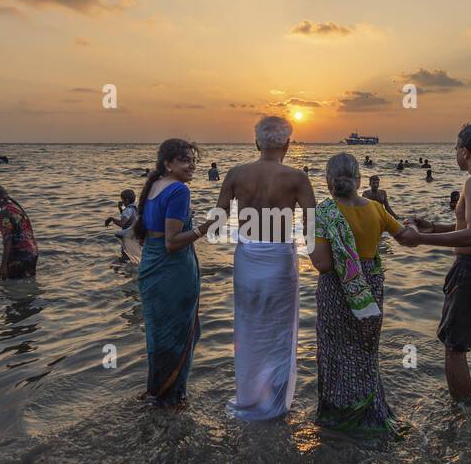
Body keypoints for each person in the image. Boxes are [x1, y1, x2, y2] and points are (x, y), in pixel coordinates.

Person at [211, 116, 316, 420]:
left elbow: (218, 224)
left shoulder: (235, 174)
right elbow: (312, 223)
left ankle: (248, 398)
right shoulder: (296, 177)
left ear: (257, 142)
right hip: (280, 258)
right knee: (280, 333)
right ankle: (273, 405)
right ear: (287, 143)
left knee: (248, 329)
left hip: (247, 257)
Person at [310, 153, 414, 432]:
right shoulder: (377, 209)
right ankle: (370, 410)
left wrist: (345, 261)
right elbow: (405, 237)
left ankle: (338, 414)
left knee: (335, 349)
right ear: (358, 180)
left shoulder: (323, 212)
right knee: (365, 349)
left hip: (335, 289)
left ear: (328, 180)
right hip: (369, 288)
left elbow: (320, 263)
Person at [401, 121, 471, 400]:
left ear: (466, 151)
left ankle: (460, 414)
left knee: (455, 348)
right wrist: (432, 227)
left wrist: (420, 239)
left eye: (456, 147)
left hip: (470, 273)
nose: (455, 152)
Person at [135, 139, 213, 406]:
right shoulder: (178, 190)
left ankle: (157, 392)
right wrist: (206, 227)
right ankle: (172, 397)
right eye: (183, 160)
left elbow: (152, 237)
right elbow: (172, 241)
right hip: (172, 272)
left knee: (161, 333)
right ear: (167, 164)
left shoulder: (154, 186)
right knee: (179, 333)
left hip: (152, 268)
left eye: (192, 160)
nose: (191, 165)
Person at [0, 184, 38, 279]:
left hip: (19, 254)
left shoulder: (4, 213)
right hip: (32, 251)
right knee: (28, 284)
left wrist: (3, 265)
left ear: (0, 198)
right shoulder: (15, 206)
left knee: (11, 285)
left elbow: (8, 239)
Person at [104, 189, 141, 262]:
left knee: (124, 257)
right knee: (133, 257)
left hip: (127, 237)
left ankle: (120, 270)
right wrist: (120, 208)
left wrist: (111, 219)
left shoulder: (128, 210)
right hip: (135, 236)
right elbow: (128, 219)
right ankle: (129, 271)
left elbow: (122, 223)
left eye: (123, 200)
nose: (122, 202)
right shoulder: (135, 209)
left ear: (127, 200)